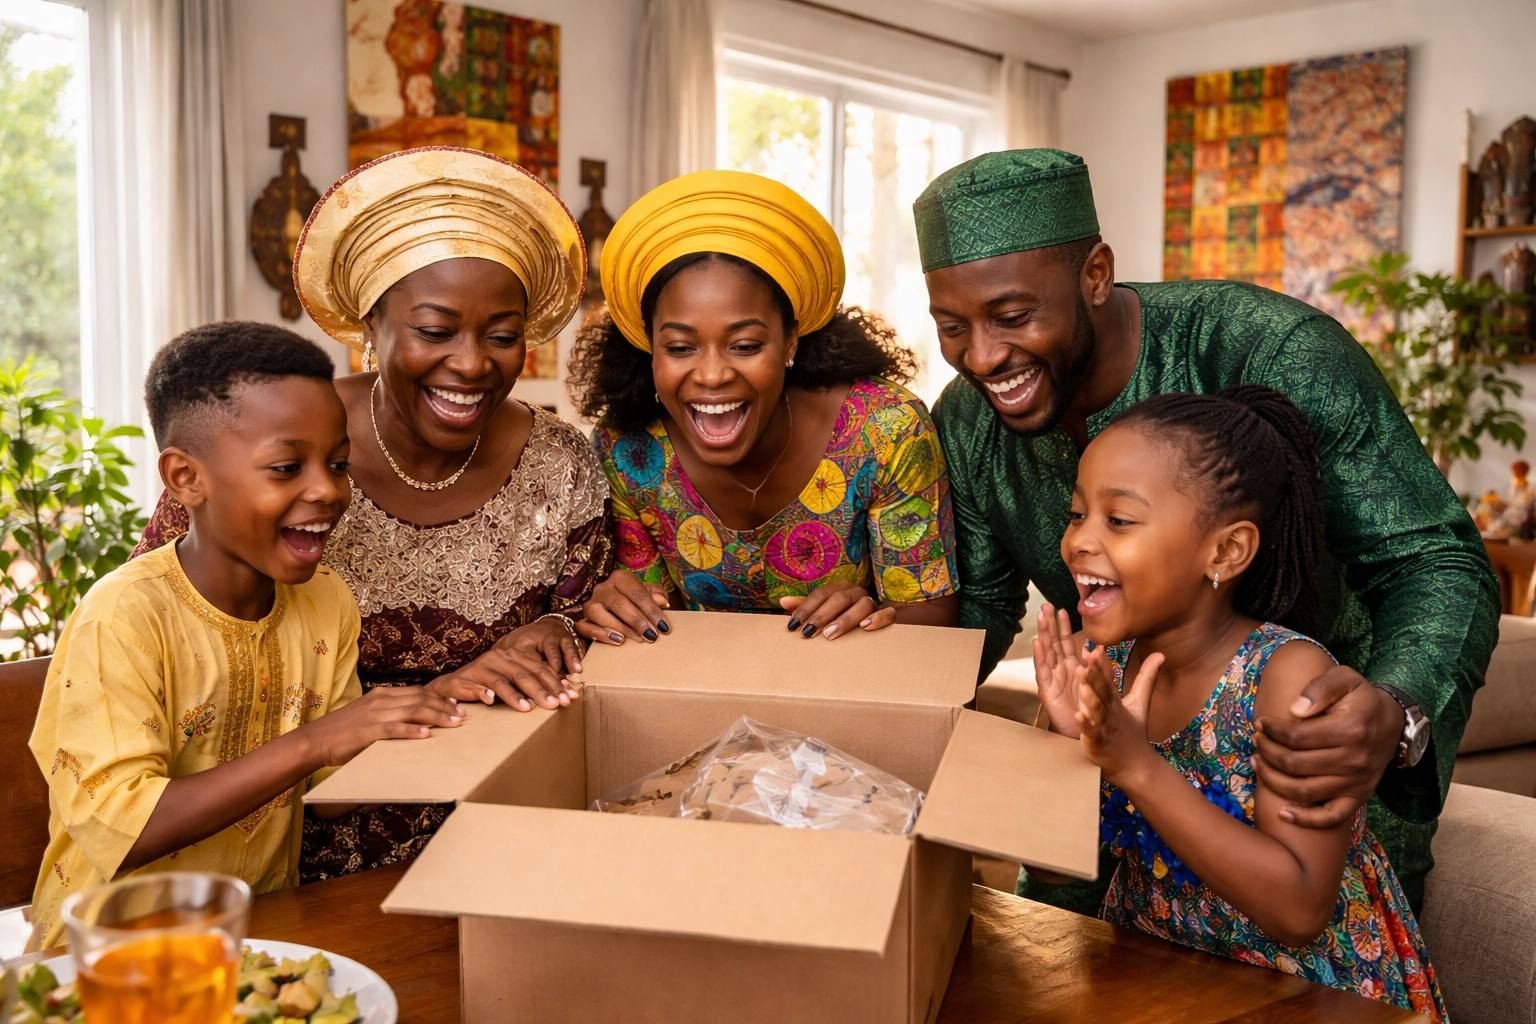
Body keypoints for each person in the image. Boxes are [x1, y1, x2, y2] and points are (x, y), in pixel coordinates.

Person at [917, 148, 1497, 913]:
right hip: (1116, 751)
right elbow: (978, 607)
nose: (982, 356)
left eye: (1013, 316)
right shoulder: (966, 419)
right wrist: (880, 652)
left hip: (1311, 761)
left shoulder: (1272, 351)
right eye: (952, 327)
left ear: (1096, 274)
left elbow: (1435, 559)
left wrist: (1396, 712)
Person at [130, 146, 612, 879]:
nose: (473, 362)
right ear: (370, 324)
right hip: (282, 844)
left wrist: (558, 630)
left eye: (503, 336)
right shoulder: (270, 454)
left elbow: (599, 628)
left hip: (503, 829)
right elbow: (162, 636)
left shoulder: (563, 464)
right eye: (435, 329)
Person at [27, 324, 466, 949]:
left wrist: (440, 705)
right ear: (185, 479)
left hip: (254, 945)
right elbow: (126, 827)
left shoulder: (325, 600)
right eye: (287, 467)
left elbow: (327, 790)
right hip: (104, 960)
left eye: (338, 464)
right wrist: (315, 741)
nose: (327, 490)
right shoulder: (123, 616)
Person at [1031, 385, 1444, 1020]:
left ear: (1226, 551)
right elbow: (1055, 871)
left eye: (1118, 519)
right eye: (1076, 513)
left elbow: (1300, 909)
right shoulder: (1096, 663)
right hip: (1161, 981)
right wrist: (1069, 749)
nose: (1079, 541)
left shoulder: (1286, 678)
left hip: (1308, 994)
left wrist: (1135, 766)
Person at [568, 170, 958, 643]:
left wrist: (872, 616)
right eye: (679, 348)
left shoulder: (885, 430)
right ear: (650, 348)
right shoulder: (628, 452)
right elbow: (650, 629)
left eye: (746, 345)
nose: (712, 375)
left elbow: (933, 632)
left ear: (790, 341)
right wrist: (619, 609)